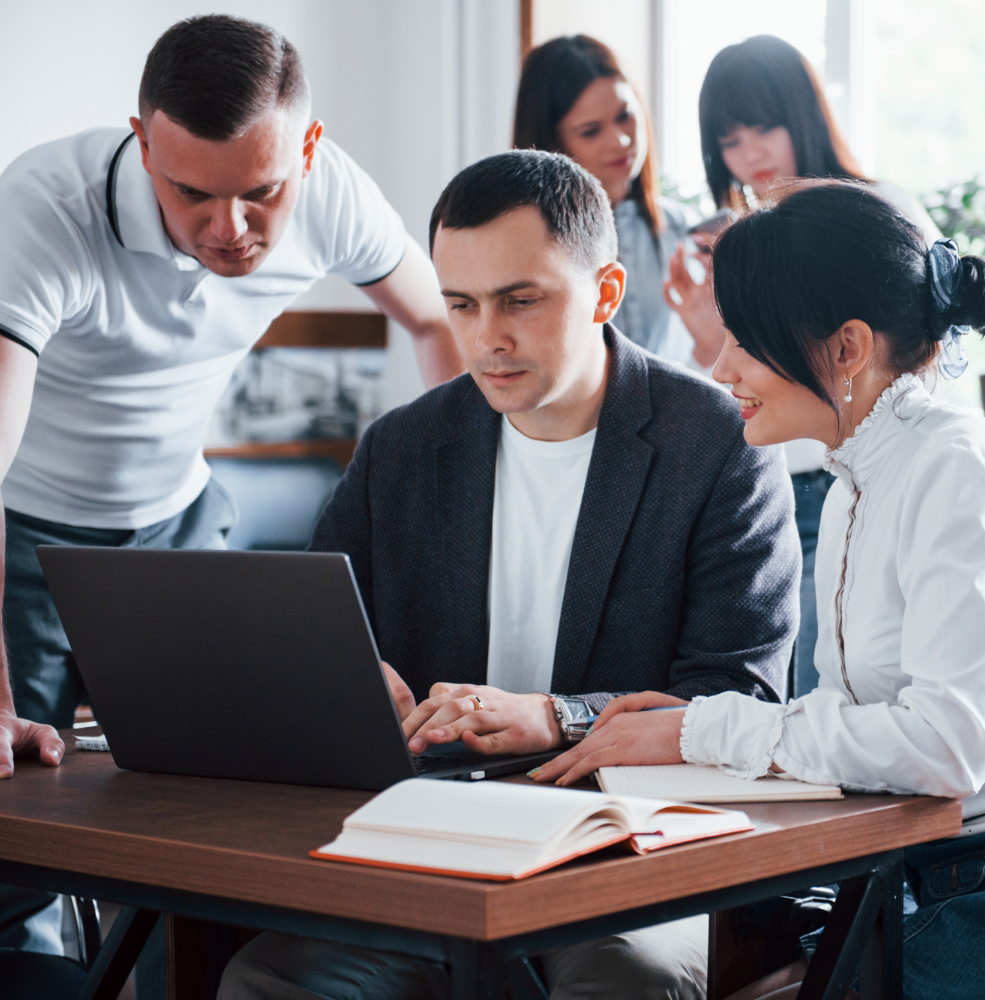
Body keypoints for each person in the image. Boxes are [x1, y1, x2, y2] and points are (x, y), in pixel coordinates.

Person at [537, 182, 985, 1000]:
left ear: (847, 348)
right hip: (948, 871)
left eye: (743, 339)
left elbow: (945, 746)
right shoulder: (853, 483)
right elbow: (859, 727)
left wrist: (700, 731)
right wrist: (686, 731)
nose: (718, 365)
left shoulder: (959, 465)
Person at [0, 14, 463, 990]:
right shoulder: (46, 202)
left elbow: (434, 318)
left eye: (262, 193)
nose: (232, 230)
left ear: (305, 151)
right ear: (142, 144)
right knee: (8, 856)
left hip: (181, 523)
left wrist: (443, 492)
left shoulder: (334, 193)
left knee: (204, 819)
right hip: (21, 530)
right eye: (192, 194)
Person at [216, 150, 800, 1000]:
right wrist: (349, 687)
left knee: (625, 981)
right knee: (271, 980)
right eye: (460, 304)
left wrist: (553, 719)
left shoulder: (719, 444)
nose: (487, 337)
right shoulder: (400, 448)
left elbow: (738, 694)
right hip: (440, 836)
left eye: (520, 300)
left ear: (604, 293)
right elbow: (317, 639)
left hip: (633, 846)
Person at [665, 33, 947, 700]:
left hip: (841, 480)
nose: (749, 154)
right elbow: (726, 381)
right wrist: (711, 336)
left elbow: (919, 354)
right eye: (729, 140)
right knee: (780, 690)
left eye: (762, 127)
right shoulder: (730, 242)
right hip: (762, 488)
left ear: (806, 113)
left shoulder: (875, 213)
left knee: (837, 692)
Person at [514, 35, 695, 365]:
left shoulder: (687, 231)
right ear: (550, 143)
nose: (621, 139)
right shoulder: (524, 245)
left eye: (625, 115)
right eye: (591, 131)